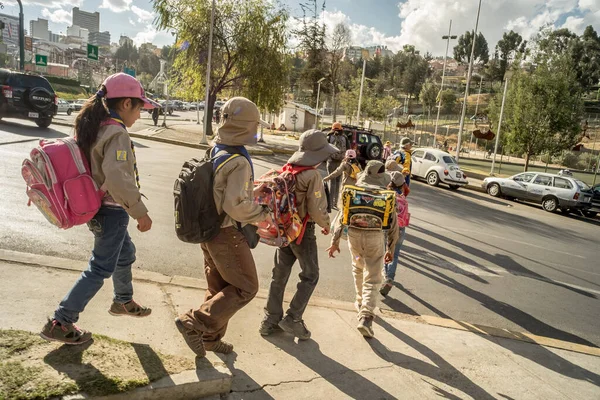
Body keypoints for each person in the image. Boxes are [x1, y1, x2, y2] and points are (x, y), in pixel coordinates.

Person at [40, 73, 158, 345]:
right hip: (112, 211)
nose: (140, 115)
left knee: (125, 253)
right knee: (100, 268)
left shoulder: (97, 126)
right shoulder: (116, 132)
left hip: (98, 209)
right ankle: (62, 320)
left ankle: (123, 300)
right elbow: (118, 179)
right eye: (140, 108)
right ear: (126, 104)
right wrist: (140, 212)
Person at [175, 97, 272, 357]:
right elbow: (235, 206)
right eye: (253, 126)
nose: (256, 131)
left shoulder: (218, 148)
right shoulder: (239, 160)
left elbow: (221, 189)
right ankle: (193, 322)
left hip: (209, 230)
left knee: (219, 288)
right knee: (246, 287)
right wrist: (263, 213)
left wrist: (251, 191)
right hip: (226, 233)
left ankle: (209, 338)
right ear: (243, 127)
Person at [260, 129, 338, 340]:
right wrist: (327, 224)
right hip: (303, 233)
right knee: (311, 275)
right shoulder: (312, 175)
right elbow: (316, 207)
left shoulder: (288, 169)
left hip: (285, 231)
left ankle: (270, 320)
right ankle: (293, 318)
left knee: (280, 274)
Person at [326, 160, 399, 338]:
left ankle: (360, 302)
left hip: (354, 236)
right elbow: (393, 226)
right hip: (375, 237)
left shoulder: (352, 192)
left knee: (358, 267)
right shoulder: (387, 196)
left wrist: (335, 241)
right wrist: (390, 248)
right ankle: (366, 316)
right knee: (373, 277)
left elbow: (342, 218)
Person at [380, 167, 409, 297]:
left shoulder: (386, 195)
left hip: (388, 228)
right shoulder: (404, 198)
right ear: (402, 184)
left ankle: (386, 276)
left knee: (386, 251)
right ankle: (390, 277)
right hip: (401, 229)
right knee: (395, 255)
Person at [326, 122, 351, 208]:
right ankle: (335, 203)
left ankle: (330, 203)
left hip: (331, 161)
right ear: (341, 129)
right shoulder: (345, 138)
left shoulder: (329, 137)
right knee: (338, 182)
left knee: (331, 181)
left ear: (332, 129)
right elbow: (348, 149)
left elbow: (324, 149)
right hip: (341, 161)